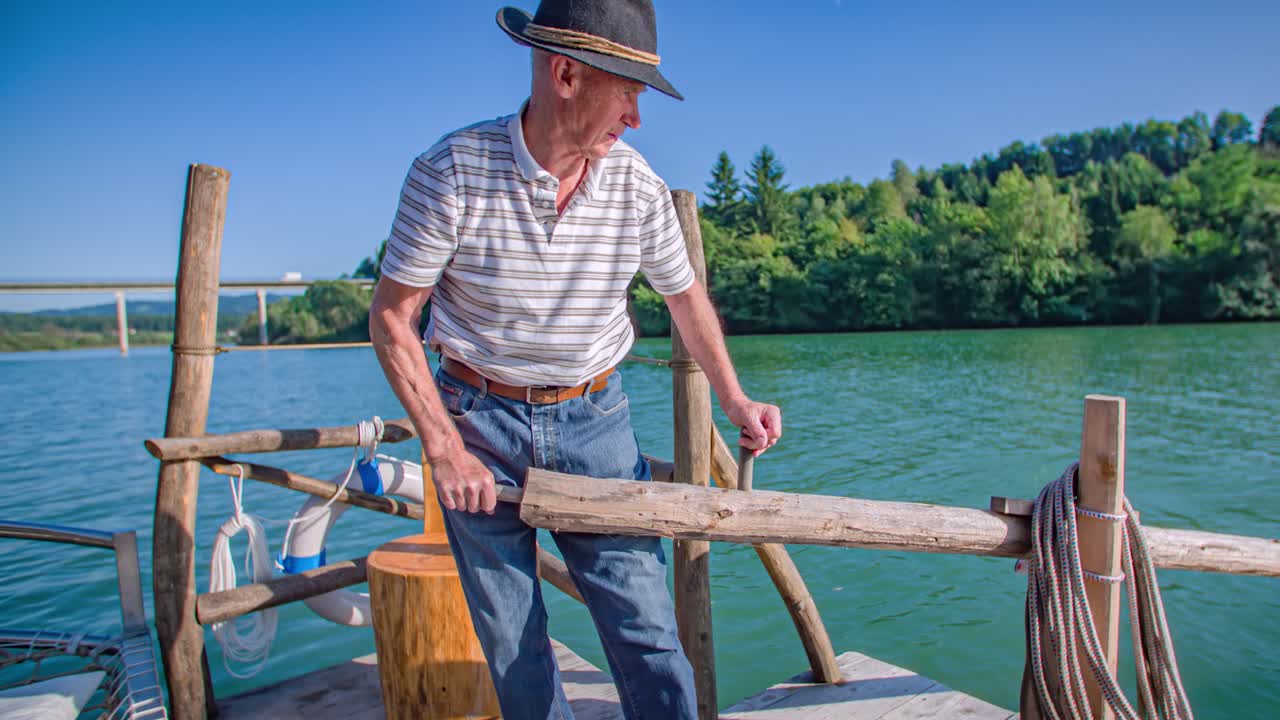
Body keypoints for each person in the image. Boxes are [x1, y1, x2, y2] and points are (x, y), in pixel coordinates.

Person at [368, 1, 781, 718]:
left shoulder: (639, 188)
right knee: (514, 645)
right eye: (628, 91)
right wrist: (444, 451)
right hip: (476, 425)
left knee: (646, 629)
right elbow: (393, 318)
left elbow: (686, 302)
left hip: (596, 422)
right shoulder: (452, 172)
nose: (637, 117)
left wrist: (736, 400)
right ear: (565, 74)